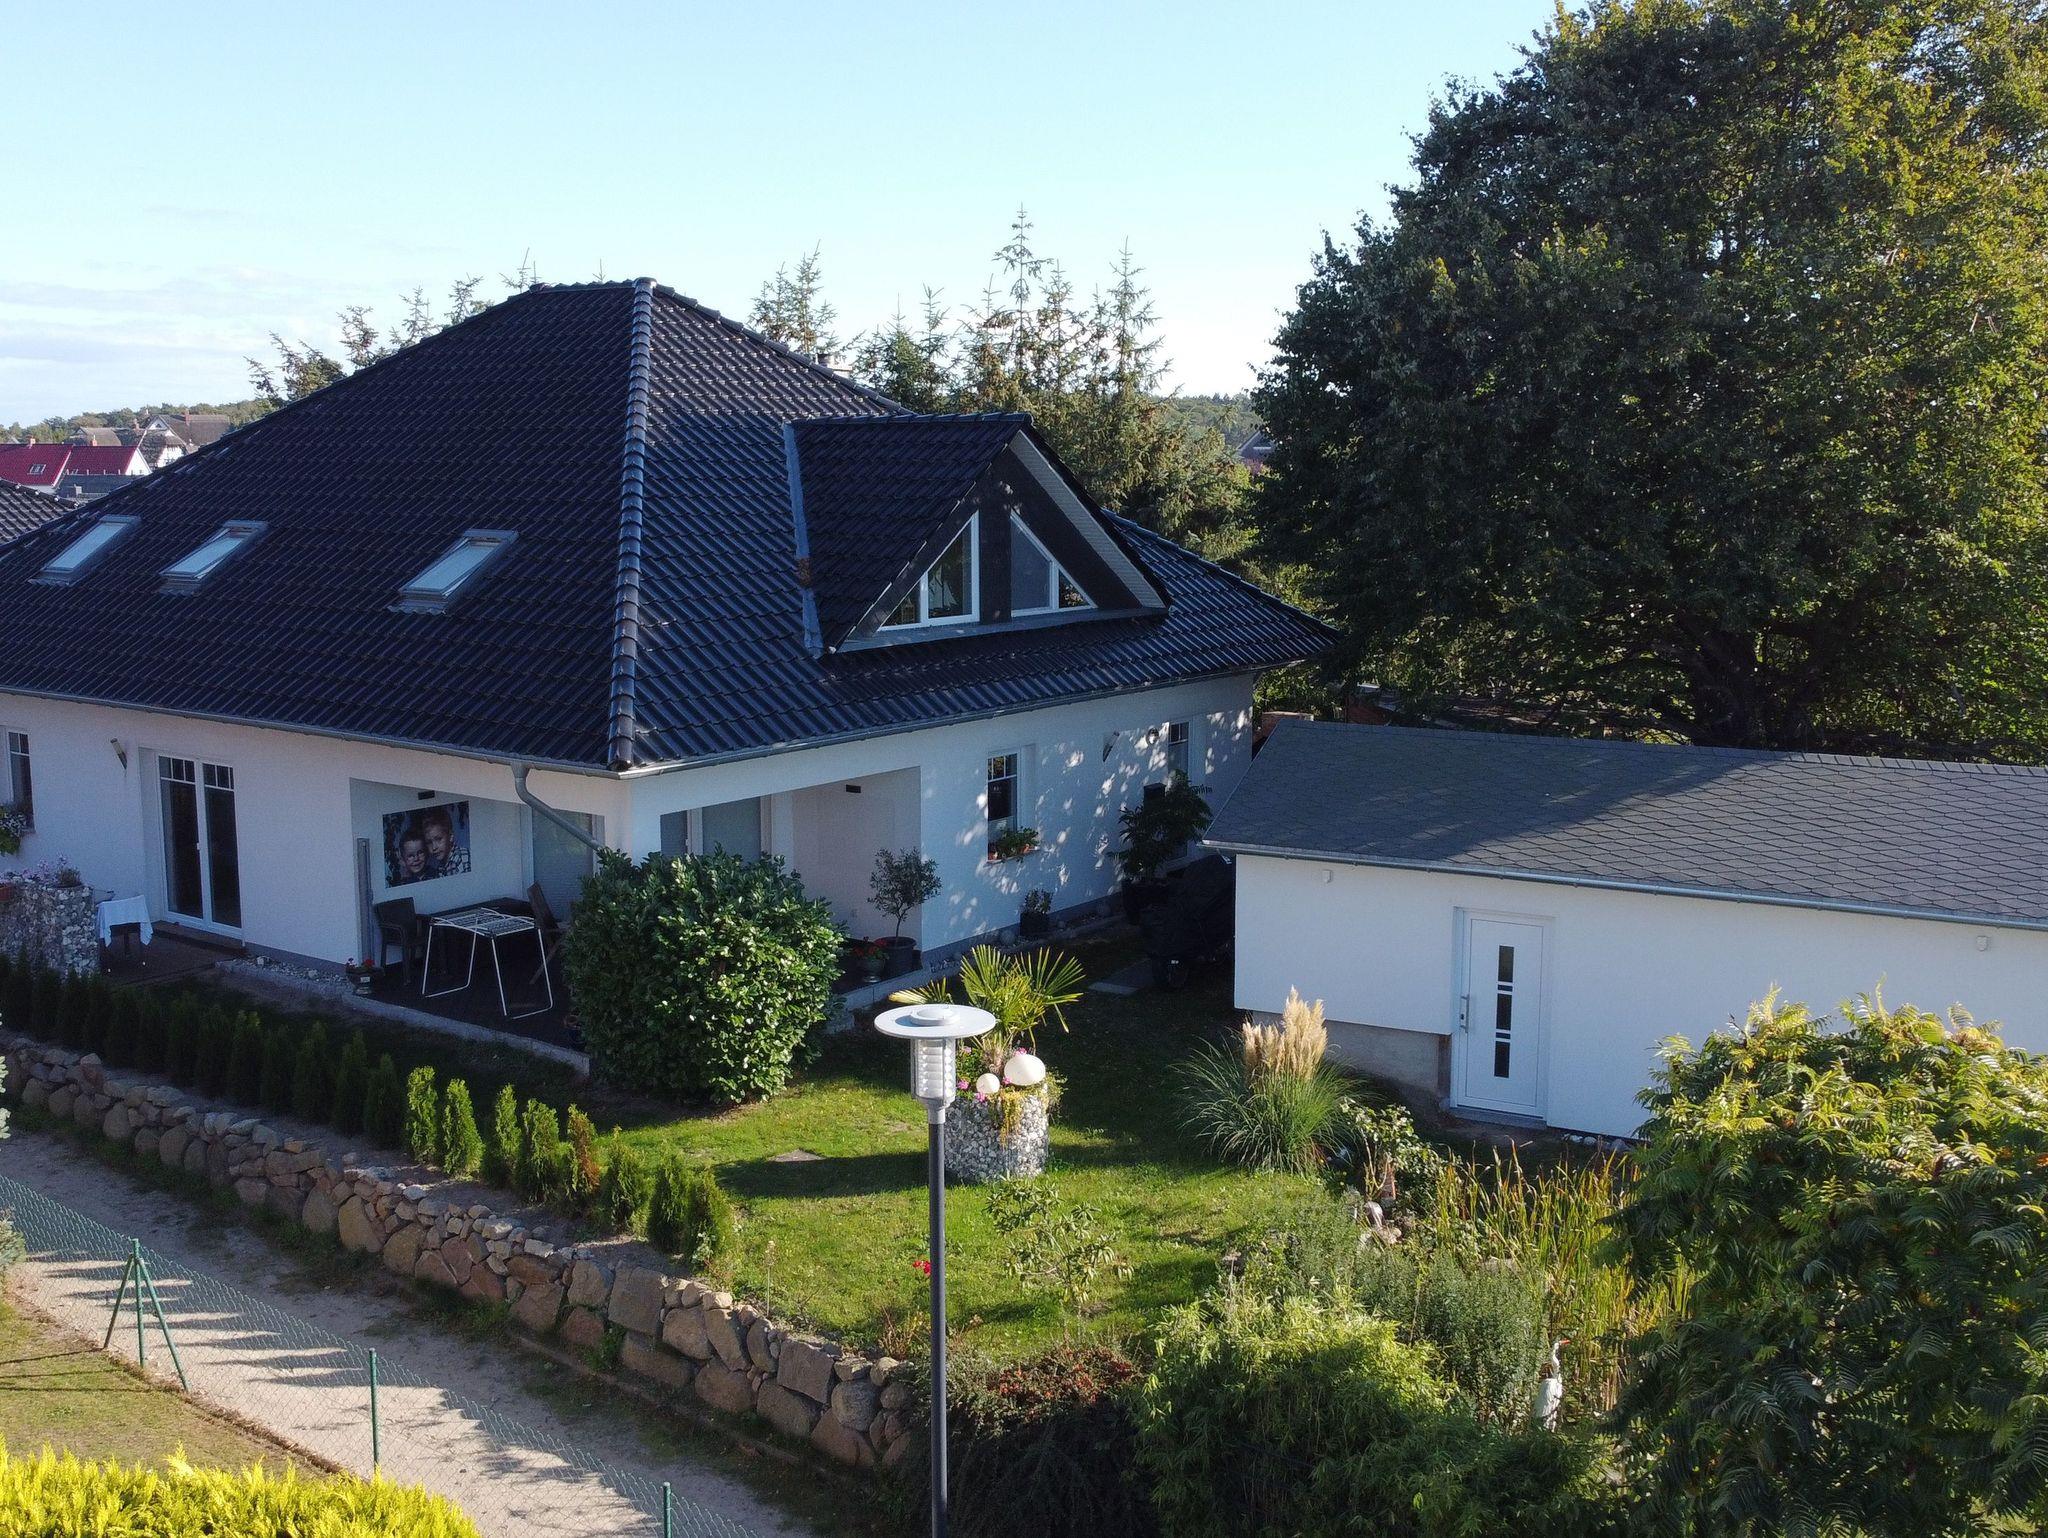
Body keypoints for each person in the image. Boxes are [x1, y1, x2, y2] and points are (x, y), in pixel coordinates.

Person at [421, 806, 470, 878]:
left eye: (438, 839)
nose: (434, 847)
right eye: (429, 842)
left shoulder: (462, 859)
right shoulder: (440, 867)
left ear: (451, 836)